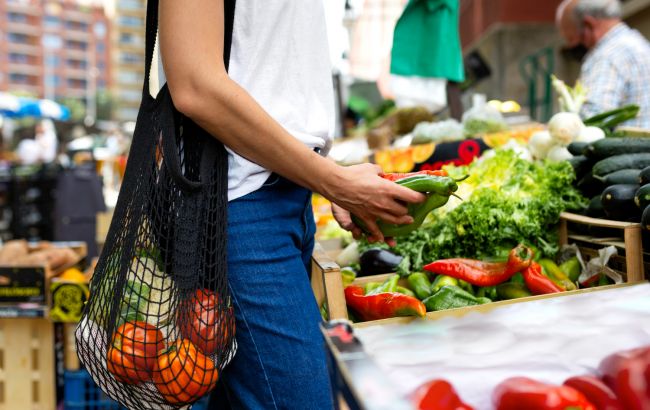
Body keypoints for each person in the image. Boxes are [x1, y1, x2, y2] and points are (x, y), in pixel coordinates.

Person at [157, 0, 424, 408]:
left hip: (280, 200)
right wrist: (333, 181)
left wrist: (323, 171)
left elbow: (267, 81)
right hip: (238, 210)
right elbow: (195, 84)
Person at [556, 0, 650, 128]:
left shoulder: (607, 56)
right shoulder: (639, 42)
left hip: (625, 146)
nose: (572, 46)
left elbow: (592, 119)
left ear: (588, 24)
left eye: (572, 39)